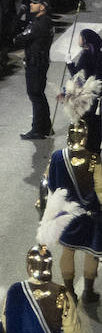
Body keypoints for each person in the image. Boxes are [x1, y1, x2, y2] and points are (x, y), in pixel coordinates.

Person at [47, 77, 102, 302]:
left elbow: (51, 186)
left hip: (67, 214)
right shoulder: (96, 159)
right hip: (92, 214)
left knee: (67, 250)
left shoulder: (58, 157)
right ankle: (88, 290)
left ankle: (69, 290)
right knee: (92, 252)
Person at [17, 0, 54, 139]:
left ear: (42, 7)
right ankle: (46, 126)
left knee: (35, 94)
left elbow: (20, 39)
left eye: (35, 3)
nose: (31, 5)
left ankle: (37, 129)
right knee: (39, 94)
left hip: (36, 63)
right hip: (41, 61)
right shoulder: (46, 22)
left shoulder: (39, 24)